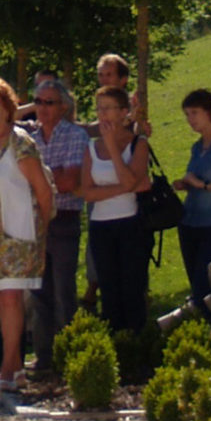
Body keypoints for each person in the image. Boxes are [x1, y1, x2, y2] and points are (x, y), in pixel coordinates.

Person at [0, 77, 53, 390]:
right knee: (1, 300)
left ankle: (8, 369)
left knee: (9, 299)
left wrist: (41, 232)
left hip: (18, 234)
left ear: (9, 110)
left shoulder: (20, 142)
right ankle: (14, 368)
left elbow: (43, 191)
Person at [24, 78, 88, 374]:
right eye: (37, 102)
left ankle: (68, 355)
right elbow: (50, 180)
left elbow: (70, 181)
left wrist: (38, 180)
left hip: (63, 221)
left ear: (63, 106)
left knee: (64, 291)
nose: (42, 108)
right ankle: (44, 357)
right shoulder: (28, 139)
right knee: (39, 293)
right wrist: (50, 178)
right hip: (34, 222)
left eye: (49, 102)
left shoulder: (75, 135)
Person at [77, 87, 152, 333]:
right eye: (99, 109)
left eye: (108, 108)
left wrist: (111, 145)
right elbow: (87, 192)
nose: (103, 114)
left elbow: (135, 180)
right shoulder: (91, 148)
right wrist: (123, 187)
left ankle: (137, 343)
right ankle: (116, 344)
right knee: (109, 290)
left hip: (131, 224)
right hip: (101, 226)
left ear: (123, 112)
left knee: (132, 288)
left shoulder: (137, 143)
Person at [171, 89, 211, 320]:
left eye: (195, 113)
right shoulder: (197, 147)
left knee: (206, 288)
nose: (191, 120)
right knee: (197, 289)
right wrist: (186, 184)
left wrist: (203, 185)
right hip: (190, 221)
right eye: (187, 114)